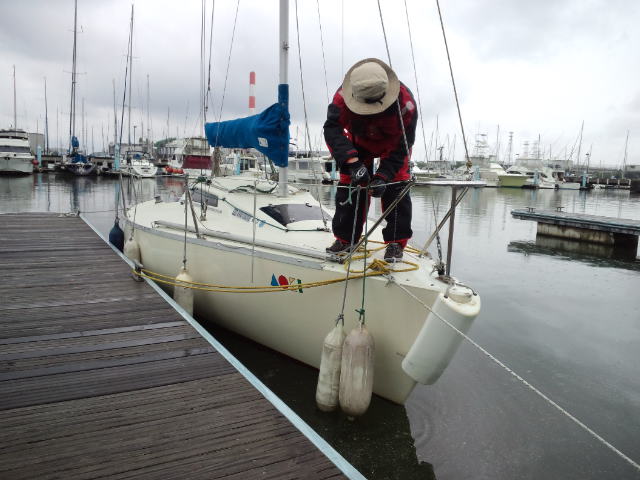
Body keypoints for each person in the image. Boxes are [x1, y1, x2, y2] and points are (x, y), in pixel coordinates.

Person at [323, 58, 417, 261]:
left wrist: (383, 176)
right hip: (357, 145)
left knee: (396, 185)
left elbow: (404, 144)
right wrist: (352, 163)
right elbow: (332, 130)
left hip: (392, 145)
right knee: (350, 186)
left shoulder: (406, 105)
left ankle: (396, 243)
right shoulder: (341, 99)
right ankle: (345, 239)